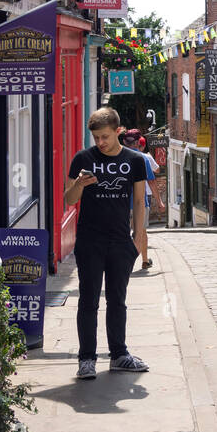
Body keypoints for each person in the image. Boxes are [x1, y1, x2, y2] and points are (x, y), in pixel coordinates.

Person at [64, 107, 150, 379]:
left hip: (119, 240)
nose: (100, 143)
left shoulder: (135, 160)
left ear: (117, 131)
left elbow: (138, 200)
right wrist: (80, 184)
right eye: (96, 138)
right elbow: (69, 199)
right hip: (89, 240)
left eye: (105, 137)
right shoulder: (83, 158)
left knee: (117, 300)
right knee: (88, 300)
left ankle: (119, 354)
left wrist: (138, 236)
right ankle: (86, 359)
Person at [121, 129, 158, 270]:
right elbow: (152, 181)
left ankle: (125, 262)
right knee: (141, 233)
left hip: (121, 203)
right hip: (140, 204)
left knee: (124, 233)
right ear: (137, 142)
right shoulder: (143, 158)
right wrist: (159, 201)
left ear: (124, 141)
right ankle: (144, 260)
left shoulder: (116, 156)